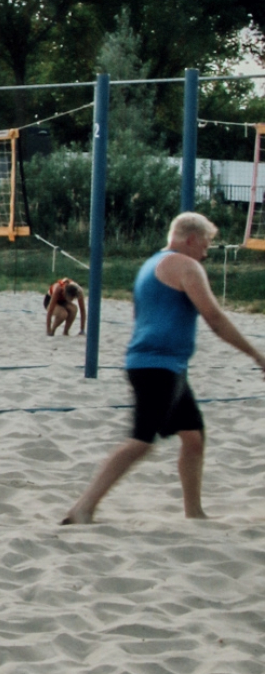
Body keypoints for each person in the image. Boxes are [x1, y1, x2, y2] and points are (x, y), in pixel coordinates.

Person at [62, 213, 265, 525]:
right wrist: (255, 354)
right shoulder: (185, 266)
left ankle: (194, 512)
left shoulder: (151, 264)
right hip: (157, 366)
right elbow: (214, 317)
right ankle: (83, 507)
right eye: (205, 244)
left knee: (193, 437)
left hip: (162, 364)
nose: (206, 253)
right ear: (190, 239)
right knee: (141, 441)